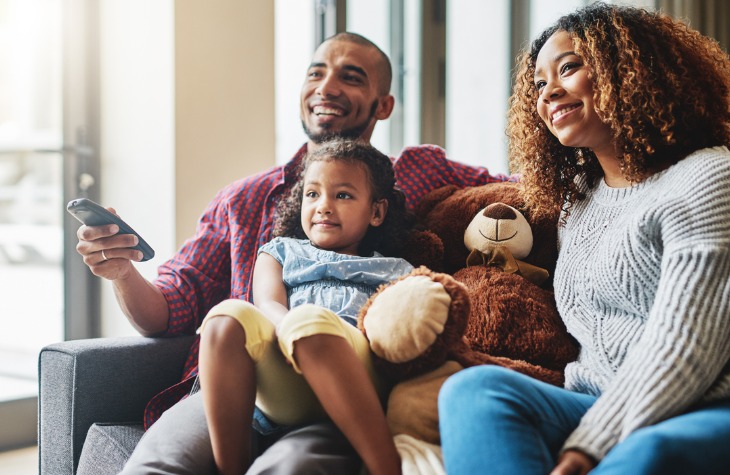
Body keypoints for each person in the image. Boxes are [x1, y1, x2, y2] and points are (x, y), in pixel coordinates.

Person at [75, 31, 511, 474]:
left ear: (383, 105)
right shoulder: (245, 199)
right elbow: (168, 307)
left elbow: (524, 194)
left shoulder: (422, 175)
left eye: (351, 77)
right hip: (238, 387)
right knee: (156, 465)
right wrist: (123, 273)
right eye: (316, 73)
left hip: (341, 387)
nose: (326, 87)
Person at [438, 3, 730, 475]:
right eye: (537, 84)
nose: (548, 92)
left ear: (631, 71)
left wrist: (586, 449)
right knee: (473, 392)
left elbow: (686, 346)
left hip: (698, 405)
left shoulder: (709, 175)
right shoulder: (579, 201)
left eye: (569, 68)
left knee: (649, 453)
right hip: (594, 402)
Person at [198, 139, 413, 475]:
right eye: (313, 194)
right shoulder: (279, 251)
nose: (323, 206)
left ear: (376, 212)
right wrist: (287, 328)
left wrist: (303, 325)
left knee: (310, 322)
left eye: (342, 195)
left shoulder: (396, 269)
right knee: (224, 319)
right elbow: (267, 302)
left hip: (357, 371)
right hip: (286, 372)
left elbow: (403, 326)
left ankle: (387, 467)